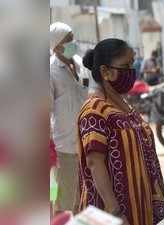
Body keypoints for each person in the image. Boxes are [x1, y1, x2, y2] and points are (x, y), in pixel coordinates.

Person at [78, 38, 164, 225]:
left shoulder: (124, 105)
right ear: (105, 71)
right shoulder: (95, 111)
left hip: (142, 207)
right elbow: (95, 163)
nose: (131, 72)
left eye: (132, 64)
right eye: (125, 65)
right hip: (113, 213)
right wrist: (115, 212)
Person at [50, 22, 89, 214]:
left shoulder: (80, 64)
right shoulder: (49, 70)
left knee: (86, 197)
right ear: (56, 46)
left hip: (87, 140)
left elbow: (88, 91)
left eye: (73, 37)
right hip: (65, 145)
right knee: (65, 201)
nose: (73, 43)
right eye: (68, 40)